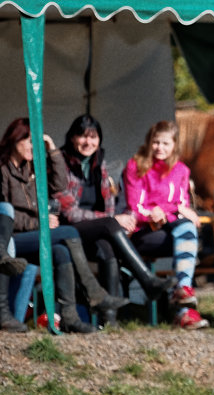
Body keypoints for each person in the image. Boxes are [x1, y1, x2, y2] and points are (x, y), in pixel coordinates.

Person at [0, 118, 129, 333]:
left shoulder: (30, 169)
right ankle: (94, 292)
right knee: (68, 232)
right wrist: (38, 222)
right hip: (10, 238)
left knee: (61, 251)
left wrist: (52, 150)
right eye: (30, 142)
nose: (34, 148)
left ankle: (69, 317)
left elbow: (60, 185)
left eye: (37, 143)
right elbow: (4, 213)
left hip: (32, 234)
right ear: (16, 140)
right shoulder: (3, 170)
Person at [55, 115, 177, 326]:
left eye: (93, 137)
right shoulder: (61, 163)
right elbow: (70, 213)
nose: (88, 142)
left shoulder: (98, 161)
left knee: (107, 249)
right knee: (111, 223)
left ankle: (109, 320)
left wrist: (111, 219)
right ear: (73, 138)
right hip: (69, 229)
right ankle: (147, 280)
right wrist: (111, 219)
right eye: (83, 137)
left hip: (96, 230)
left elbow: (109, 202)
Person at [123, 120, 208, 330]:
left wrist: (172, 210)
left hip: (171, 229)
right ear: (149, 142)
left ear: (174, 146)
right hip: (143, 231)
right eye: (156, 142)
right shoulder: (135, 166)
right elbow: (135, 207)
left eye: (165, 144)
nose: (159, 148)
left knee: (186, 230)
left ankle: (183, 296)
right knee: (186, 237)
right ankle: (183, 309)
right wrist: (168, 210)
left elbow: (181, 204)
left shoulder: (181, 170)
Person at [0, 201, 30, 332]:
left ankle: (13, 317)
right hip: (16, 228)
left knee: (60, 250)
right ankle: (4, 314)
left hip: (17, 229)